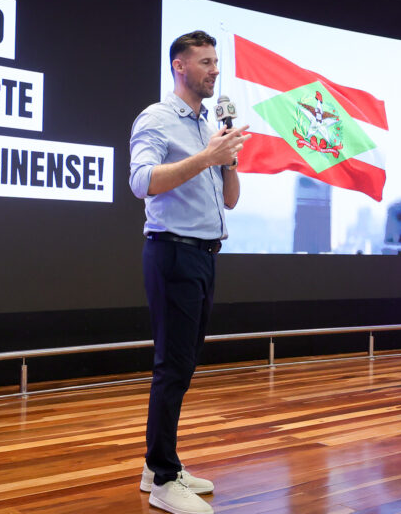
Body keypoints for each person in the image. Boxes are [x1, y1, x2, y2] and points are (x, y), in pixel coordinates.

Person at [129, 30, 250, 514]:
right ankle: (162, 479)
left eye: (216, 61)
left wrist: (228, 161)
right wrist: (206, 158)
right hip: (172, 253)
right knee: (172, 366)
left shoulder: (208, 126)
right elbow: (141, 182)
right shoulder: (157, 119)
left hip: (204, 254)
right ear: (179, 66)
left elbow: (230, 200)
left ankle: (157, 465)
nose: (215, 70)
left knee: (183, 364)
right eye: (205, 62)